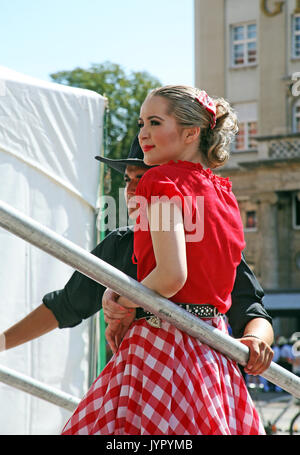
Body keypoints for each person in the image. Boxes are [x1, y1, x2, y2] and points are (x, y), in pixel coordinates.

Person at [61, 85, 274, 435]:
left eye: (155, 122)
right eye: (142, 122)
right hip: (212, 348)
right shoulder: (223, 194)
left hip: (163, 339)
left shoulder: (159, 181)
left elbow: (172, 276)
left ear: (192, 132)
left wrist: (121, 299)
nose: (143, 133)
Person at [0, 136, 272, 366]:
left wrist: (257, 340)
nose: (131, 190)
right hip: (143, 375)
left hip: (199, 376)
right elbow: (67, 305)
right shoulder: (120, 244)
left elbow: (252, 310)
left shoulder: (212, 242)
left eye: (142, 178)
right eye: (128, 180)